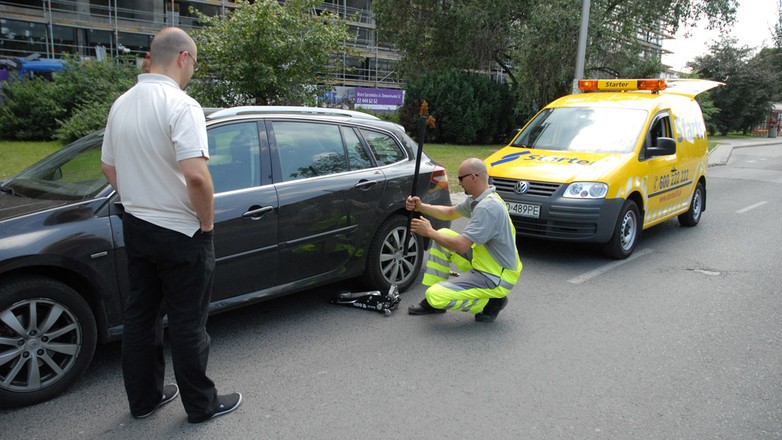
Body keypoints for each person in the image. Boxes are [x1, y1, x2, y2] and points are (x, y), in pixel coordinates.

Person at [101, 27, 241, 423]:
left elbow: (108, 166)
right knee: (188, 321)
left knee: (140, 316)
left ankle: (144, 399)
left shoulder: (121, 104)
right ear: (184, 58)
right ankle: (202, 405)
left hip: (138, 225)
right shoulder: (182, 106)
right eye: (194, 63)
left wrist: (138, 197)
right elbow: (196, 177)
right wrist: (207, 223)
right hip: (182, 232)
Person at [405, 157, 522, 322]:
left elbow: (461, 246)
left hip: (496, 276)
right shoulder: (480, 199)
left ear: (473, 177)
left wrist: (430, 232)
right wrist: (421, 207)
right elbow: (450, 212)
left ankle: (491, 301)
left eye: (461, 178)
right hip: (488, 262)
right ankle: (433, 305)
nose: (459, 183)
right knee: (444, 233)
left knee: (435, 295)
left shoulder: (488, 207)